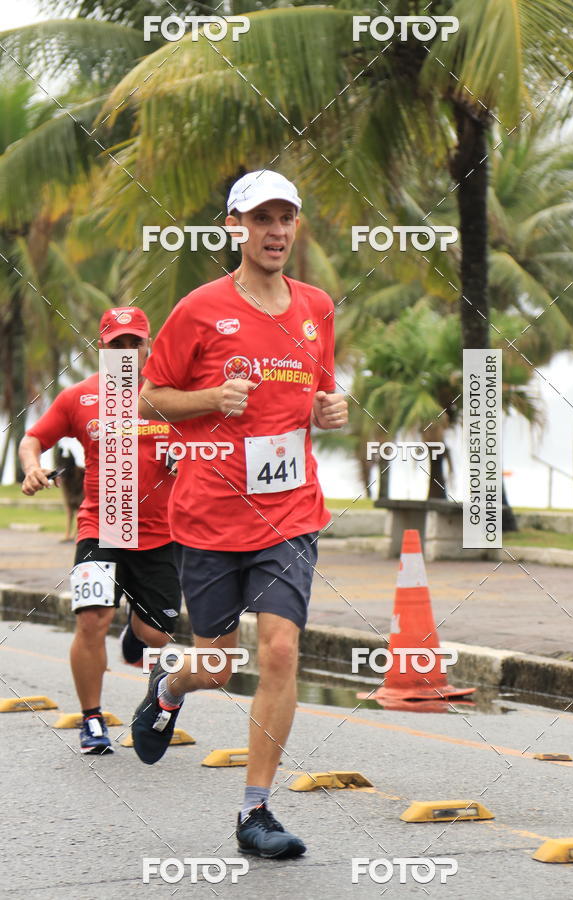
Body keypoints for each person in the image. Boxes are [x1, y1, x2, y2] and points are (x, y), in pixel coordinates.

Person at [131, 170, 348, 859]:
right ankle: (170, 686)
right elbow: (148, 399)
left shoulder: (317, 307)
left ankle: (255, 811)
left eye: (286, 218)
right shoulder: (199, 309)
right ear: (235, 226)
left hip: (291, 513)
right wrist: (208, 400)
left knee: (280, 649)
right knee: (218, 666)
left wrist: (330, 408)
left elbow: (318, 393)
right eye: (261, 219)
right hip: (210, 515)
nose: (276, 231)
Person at [19, 308, 181, 755]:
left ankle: (137, 631)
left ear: (149, 347)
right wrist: (32, 467)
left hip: (160, 534)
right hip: (101, 526)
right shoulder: (79, 397)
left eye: (135, 344)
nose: (126, 353)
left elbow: (214, 442)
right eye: (116, 345)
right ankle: (92, 719)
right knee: (92, 620)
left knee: (157, 636)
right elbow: (33, 439)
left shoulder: (175, 398)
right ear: (101, 348)